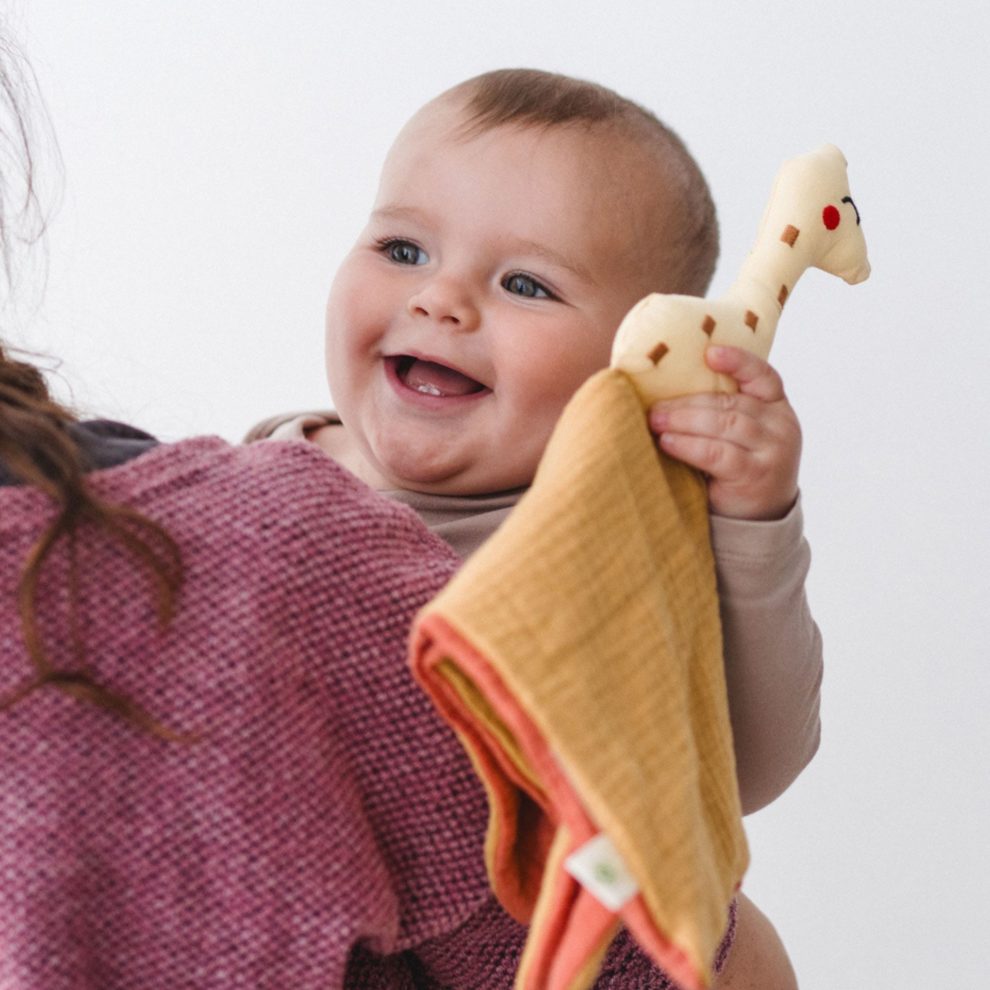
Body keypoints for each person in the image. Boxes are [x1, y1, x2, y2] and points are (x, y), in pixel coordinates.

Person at [249, 69, 818, 987]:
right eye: (402, 248)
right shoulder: (256, 471)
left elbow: (745, 768)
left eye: (524, 283)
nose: (440, 299)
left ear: (639, 362)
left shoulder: (609, 545)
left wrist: (753, 527)